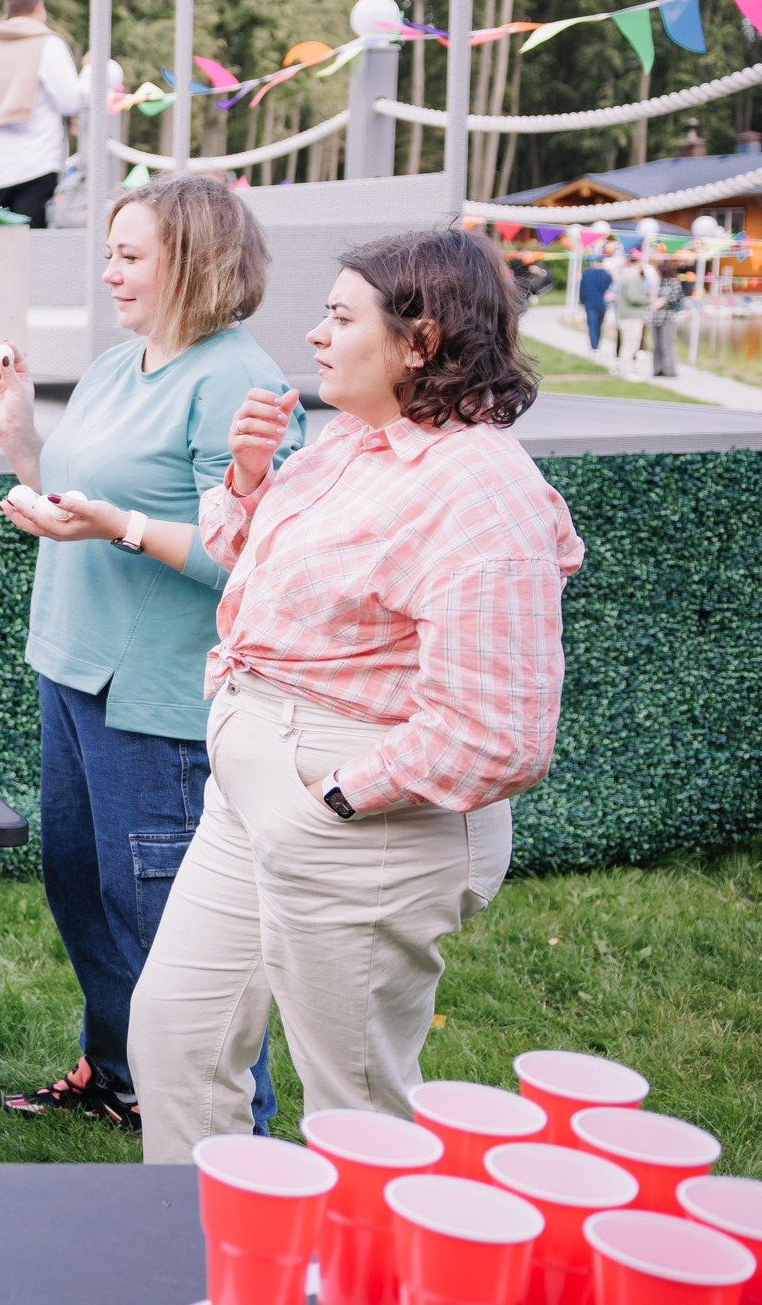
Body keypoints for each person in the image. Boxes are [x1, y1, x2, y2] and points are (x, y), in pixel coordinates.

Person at [129, 229, 584, 1161]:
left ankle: (377, 1248)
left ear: (420, 342)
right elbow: (258, 565)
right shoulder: (354, 443)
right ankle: (202, 1237)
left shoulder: (483, 494)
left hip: (362, 825)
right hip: (254, 801)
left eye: (341, 317)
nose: (315, 335)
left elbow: (497, 734)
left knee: (356, 1115)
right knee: (175, 1041)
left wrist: (331, 800)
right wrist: (249, 478)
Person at [0, 174, 300, 1135]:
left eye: (130, 256)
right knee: (86, 893)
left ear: (192, 263)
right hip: (74, 668)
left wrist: (117, 527)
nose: (110, 273)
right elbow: (76, 496)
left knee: (169, 925)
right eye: (109, 254)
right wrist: (20, 440)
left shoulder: (238, 380)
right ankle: (121, 1079)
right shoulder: (122, 365)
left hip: (158, 696)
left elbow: (251, 556)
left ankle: (240, 1135)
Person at [0, 0, 84, 228]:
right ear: (39, 7)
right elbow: (70, 101)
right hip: (34, 165)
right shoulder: (47, 43)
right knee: (31, 248)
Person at [612, 252, 654, 375]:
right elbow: (634, 297)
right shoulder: (632, 278)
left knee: (628, 343)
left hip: (626, 315)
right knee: (631, 344)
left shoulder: (625, 276)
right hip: (632, 316)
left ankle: (624, 369)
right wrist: (648, 299)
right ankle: (625, 370)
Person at [578, 250, 612, 351]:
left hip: (590, 303)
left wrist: (582, 302)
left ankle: (594, 347)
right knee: (599, 326)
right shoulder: (607, 275)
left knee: (592, 325)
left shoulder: (587, 273)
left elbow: (582, 290)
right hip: (602, 303)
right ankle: (597, 346)